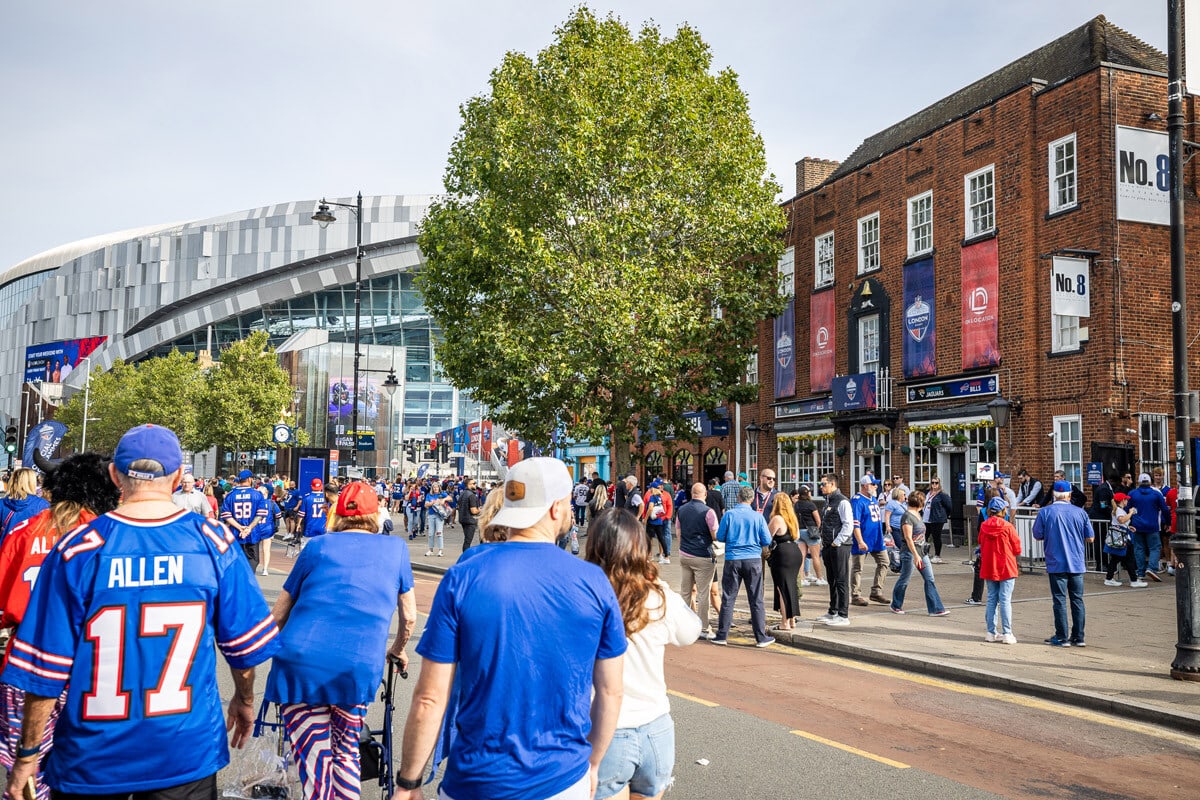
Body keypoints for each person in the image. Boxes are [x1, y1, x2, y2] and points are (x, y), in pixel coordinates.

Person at [1, 424, 281, 798]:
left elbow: (45, 671)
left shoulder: (76, 550)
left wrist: (27, 757)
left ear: (116, 474)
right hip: (184, 751)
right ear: (179, 475)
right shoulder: (213, 542)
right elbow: (244, 650)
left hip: (93, 757)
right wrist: (244, 700)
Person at [392, 457, 625, 800]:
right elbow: (610, 692)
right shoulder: (593, 581)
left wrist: (408, 782)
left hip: (477, 779)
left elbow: (430, 697)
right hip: (563, 778)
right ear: (557, 509)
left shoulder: (464, 577)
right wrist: (593, 764)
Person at [265, 481, 416, 799]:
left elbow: (278, 614)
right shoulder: (396, 549)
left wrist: (262, 652)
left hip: (300, 665)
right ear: (375, 514)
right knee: (347, 751)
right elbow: (410, 617)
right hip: (355, 666)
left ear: (337, 513)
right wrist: (397, 649)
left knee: (315, 760)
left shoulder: (317, 546)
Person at [0, 453, 121, 800]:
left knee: (25, 772)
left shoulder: (24, 530)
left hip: (26, 666)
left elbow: (5, 605)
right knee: (84, 773)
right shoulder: (106, 537)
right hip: (90, 671)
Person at [585, 508, 700, 800]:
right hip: (655, 728)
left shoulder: (585, 595)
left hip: (606, 728)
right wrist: (662, 586)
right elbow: (691, 631)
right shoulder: (658, 596)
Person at [1032, 480, 1094, 647]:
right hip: (1076, 562)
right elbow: (1090, 538)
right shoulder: (1080, 513)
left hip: (1056, 562)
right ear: (1069, 494)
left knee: (1059, 600)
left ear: (1054, 494)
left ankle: (1061, 637)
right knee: (1077, 600)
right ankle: (1079, 637)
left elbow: (1037, 535)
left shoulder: (1045, 512)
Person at [712, 485, 774, 647]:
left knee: (728, 597)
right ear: (752, 500)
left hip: (733, 559)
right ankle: (760, 637)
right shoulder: (758, 517)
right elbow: (766, 540)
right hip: (753, 559)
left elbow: (720, 536)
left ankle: (722, 635)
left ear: (739, 498)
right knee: (756, 599)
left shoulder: (729, 515)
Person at [889, 491, 949, 617]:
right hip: (910, 553)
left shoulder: (917, 514)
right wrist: (915, 555)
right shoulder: (907, 517)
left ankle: (935, 608)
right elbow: (908, 538)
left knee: (929, 578)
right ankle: (896, 604)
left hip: (923, 552)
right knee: (905, 579)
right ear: (920, 503)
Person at [676, 482, 720, 639]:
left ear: (692, 494)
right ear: (705, 494)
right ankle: (704, 628)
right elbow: (715, 535)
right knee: (703, 593)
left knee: (685, 592)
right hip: (703, 556)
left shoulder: (681, 510)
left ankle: (681, 625)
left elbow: (678, 531)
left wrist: (683, 547)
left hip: (684, 555)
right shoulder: (708, 512)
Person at [978, 496, 1021, 643]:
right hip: (1006, 566)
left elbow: (980, 543)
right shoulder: (1008, 526)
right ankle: (1007, 633)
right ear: (1003, 510)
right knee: (1005, 599)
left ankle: (990, 632)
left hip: (989, 565)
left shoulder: (984, 526)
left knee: (991, 599)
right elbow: (1017, 547)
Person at [817, 474, 854, 626]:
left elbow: (848, 525)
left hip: (840, 546)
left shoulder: (842, 502)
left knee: (841, 580)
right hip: (828, 545)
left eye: (823, 484)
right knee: (832, 579)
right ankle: (833, 611)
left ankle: (843, 615)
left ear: (832, 484)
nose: (821, 486)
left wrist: (837, 542)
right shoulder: (828, 501)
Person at [766, 493, 803, 631]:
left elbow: (766, 537)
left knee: (782, 588)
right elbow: (797, 535)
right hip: (795, 551)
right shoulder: (792, 518)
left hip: (782, 554)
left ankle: (784, 622)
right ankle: (792, 620)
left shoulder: (777, 519)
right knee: (791, 587)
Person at [850, 475, 889, 606]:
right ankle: (855, 595)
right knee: (858, 567)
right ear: (865, 486)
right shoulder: (857, 501)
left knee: (884, 562)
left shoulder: (872, 498)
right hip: (863, 539)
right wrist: (860, 541)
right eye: (873, 484)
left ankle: (876, 591)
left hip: (877, 538)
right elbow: (855, 523)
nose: (876, 486)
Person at [220, 468, 268, 569]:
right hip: (252, 533)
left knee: (236, 561)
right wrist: (248, 528)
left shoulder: (230, 495)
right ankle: (248, 580)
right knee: (253, 560)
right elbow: (260, 514)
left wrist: (239, 527)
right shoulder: (257, 494)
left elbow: (226, 515)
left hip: (234, 533)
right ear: (250, 479)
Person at [1127, 472, 1169, 583]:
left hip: (1137, 525)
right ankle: (1151, 568)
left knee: (1139, 548)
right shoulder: (1156, 494)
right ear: (1150, 482)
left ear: (1139, 482)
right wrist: (1167, 522)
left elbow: (1127, 508)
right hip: (1152, 525)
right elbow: (1165, 509)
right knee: (1155, 548)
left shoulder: (1132, 494)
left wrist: (1129, 522)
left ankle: (1140, 572)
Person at [1104, 493, 1143, 587]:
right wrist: (1130, 513)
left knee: (1117, 559)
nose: (1127, 501)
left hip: (1120, 537)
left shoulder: (1117, 510)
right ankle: (1133, 580)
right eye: (1126, 499)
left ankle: (1109, 578)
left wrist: (1129, 527)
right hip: (1122, 538)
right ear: (1122, 500)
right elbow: (1121, 520)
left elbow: (1119, 523)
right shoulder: (1119, 510)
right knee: (1127, 559)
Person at [0, 469, 48, 544]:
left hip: (5, 550)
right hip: (29, 550)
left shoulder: (2, 503)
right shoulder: (43, 505)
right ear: (32, 482)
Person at [794, 485, 825, 586]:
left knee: (801, 557)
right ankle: (819, 578)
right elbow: (818, 520)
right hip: (810, 531)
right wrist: (817, 529)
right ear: (808, 494)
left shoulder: (796, 505)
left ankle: (802, 579)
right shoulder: (811, 505)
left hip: (800, 531)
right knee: (815, 556)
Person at [424, 483, 451, 557]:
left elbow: (450, 499)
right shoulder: (429, 495)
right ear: (432, 488)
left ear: (439, 488)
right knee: (430, 533)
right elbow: (426, 505)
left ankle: (440, 550)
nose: (436, 489)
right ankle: (430, 550)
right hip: (431, 515)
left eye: (437, 487)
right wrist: (432, 502)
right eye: (434, 487)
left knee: (439, 532)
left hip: (439, 515)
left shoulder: (442, 494)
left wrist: (444, 499)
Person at [457, 476, 482, 552]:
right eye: (474, 483)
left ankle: (465, 555)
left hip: (462, 519)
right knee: (468, 541)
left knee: (467, 540)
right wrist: (480, 510)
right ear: (469, 485)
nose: (475, 485)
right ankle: (465, 557)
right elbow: (473, 511)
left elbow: (458, 506)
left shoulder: (462, 494)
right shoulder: (472, 495)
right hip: (470, 520)